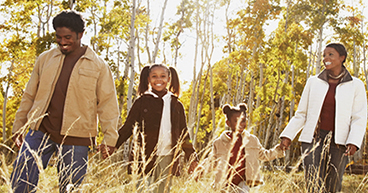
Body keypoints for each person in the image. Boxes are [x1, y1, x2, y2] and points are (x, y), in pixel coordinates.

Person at [10, 10, 119, 193]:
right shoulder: (45, 59)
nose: (62, 42)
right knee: (21, 177)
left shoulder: (99, 65)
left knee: (70, 188)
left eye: (67, 37)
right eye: (58, 37)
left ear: (81, 34)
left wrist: (110, 138)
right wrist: (19, 125)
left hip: (77, 138)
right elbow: (29, 95)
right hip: (40, 130)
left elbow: (108, 104)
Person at [279, 43, 367, 192]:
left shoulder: (356, 85)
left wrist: (353, 141)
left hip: (340, 142)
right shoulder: (313, 82)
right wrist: (288, 136)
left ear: (342, 58)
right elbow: (301, 114)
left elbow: (359, 117)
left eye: (330, 54)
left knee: (333, 185)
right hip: (312, 139)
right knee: (313, 183)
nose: (325, 58)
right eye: (324, 55)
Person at [115, 64, 198, 193]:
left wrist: (192, 157)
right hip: (144, 157)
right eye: (154, 76)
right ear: (148, 79)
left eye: (163, 76)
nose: (158, 80)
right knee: (142, 189)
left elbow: (184, 133)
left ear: (169, 79)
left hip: (167, 157)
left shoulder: (176, 104)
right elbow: (128, 127)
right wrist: (112, 145)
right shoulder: (141, 102)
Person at [212, 103, 284, 193]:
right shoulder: (219, 143)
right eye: (236, 121)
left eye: (243, 121)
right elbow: (211, 160)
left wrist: (279, 150)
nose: (240, 124)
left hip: (243, 182)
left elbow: (264, 154)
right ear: (228, 123)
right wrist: (200, 169)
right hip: (224, 183)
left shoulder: (252, 140)